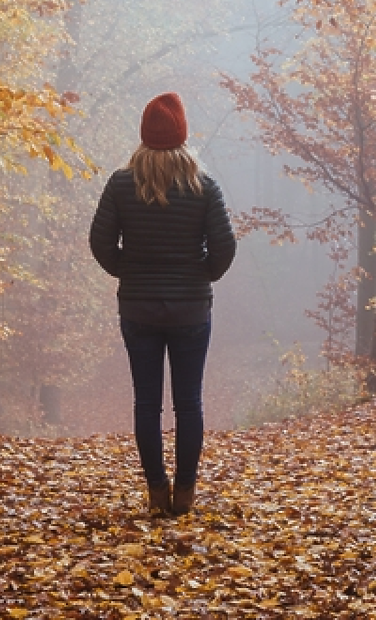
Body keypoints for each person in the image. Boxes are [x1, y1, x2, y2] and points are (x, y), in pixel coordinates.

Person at [88, 92, 237, 517]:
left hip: (138, 310)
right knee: (189, 402)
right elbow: (225, 247)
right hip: (191, 309)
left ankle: (157, 492)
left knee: (146, 403)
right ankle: (185, 494)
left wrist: (128, 272)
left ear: (144, 135)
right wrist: (201, 274)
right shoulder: (204, 185)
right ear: (182, 134)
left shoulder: (121, 183)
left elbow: (100, 243)